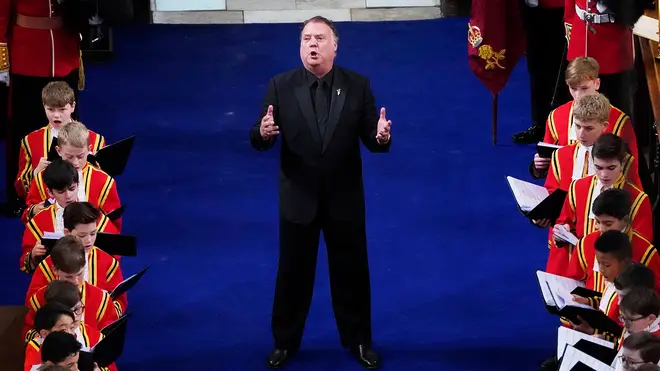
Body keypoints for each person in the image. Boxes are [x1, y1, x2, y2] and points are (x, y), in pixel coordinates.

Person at [249, 15, 391, 370]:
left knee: (352, 273)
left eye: (319, 38)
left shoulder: (358, 86)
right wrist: (264, 133)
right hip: (299, 200)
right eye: (306, 39)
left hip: (344, 200)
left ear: (335, 46)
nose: (312, 45)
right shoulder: (280, 86)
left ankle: (359, 341)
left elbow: (373, 139)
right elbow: (258, 136)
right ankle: (284, 342)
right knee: (292, 275)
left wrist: (382, 137)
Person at [0, 0, 84, 218]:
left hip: (64, 51)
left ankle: (70, 187)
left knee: (67, 128)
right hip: (27, 55)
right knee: (23, 129)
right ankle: (20, 194)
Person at [529, 57, 637, 179]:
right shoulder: (556, 117)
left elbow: (631, 169)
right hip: (565, 188)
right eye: (573, 89)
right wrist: (539, 165)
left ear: (597, 84)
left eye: (584, 88)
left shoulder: (620, 122)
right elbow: (550, 162)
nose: (578, 96)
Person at [14, 82, 105, 203]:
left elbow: (105, 184)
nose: (56, 115)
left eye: (62, 109)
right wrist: (36, 172)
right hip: (49, 209)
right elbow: (20, 190)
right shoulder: (30, 141)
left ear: (73, 106)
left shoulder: (96, 139)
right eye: (50, 109)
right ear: (43, 106)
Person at [26, 201, 126, 311]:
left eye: (93, 233)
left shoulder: (108, 262)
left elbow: (119, 300)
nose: (89, 240)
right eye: (82, 235)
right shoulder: (51, 263)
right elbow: (33, 304)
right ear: (67, 233)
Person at [24, 122, 122, 231]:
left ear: (89, 149)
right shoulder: (43, 178)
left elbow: (114, 223)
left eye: (80, 156)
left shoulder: (104, 181)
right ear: (58, 150)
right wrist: (34, 210)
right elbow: (28, 215)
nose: (75, 162)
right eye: (69, 156)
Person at [23, 237, 121, 342]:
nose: (76, 281)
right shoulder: (39, 298)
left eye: (79, 274)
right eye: (69, 277)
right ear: (55, 270)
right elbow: (28, 332)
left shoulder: (102, 300)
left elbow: (111, 339)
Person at [565, 189, 660, 292]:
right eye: (597, 222)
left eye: (608, 224)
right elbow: (573, 281)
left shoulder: (646, 253)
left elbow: (654, 294)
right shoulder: (585, 243)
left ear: (626, 220)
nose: (601, 228)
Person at [563, 0, 646, 117]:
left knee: (617, 112)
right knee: (581, 112)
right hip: (581, 37)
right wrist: (570, 24)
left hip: (614, 45)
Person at [512, 0, 569, 144]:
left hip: (563, 10)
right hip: (533, 9)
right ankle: (540, 125)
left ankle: (561, 127)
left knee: (562, 71)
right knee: (536, 68)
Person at [24, 303, 77, 371]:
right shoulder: (35, 348)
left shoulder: (75, 342)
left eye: (72, 328)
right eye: (63, 330)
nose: (70, 334)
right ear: (45, 334)